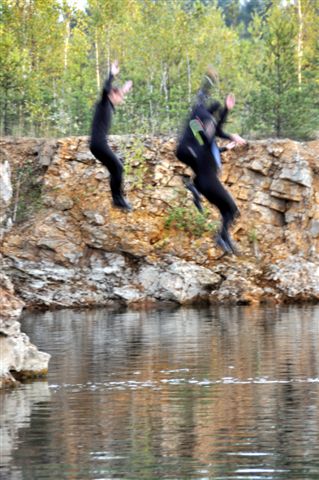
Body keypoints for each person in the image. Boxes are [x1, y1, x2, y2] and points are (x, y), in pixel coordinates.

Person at [176, 74, 246, 254]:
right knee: (231, 209)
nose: (211, 129)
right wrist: (225, 112)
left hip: (203, 180)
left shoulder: (202, 129)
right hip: (207, 180)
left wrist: (209, 82)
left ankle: (223, 236)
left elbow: (202, 97)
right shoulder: (202, 135)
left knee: (228, 210)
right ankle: (222, 236)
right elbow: (214, 132)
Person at [90, 60, 133, 210]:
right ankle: (117, 199)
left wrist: (124, 89)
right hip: (98, 145)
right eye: (120, 96)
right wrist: (111, 74)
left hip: (98, 145)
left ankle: (118, 198)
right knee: (118, 168)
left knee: (116, 167)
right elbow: (106, 89)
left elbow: (116, 93)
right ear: (111, 94)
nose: (122, 99)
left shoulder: (108, 105)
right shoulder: (103, 103)